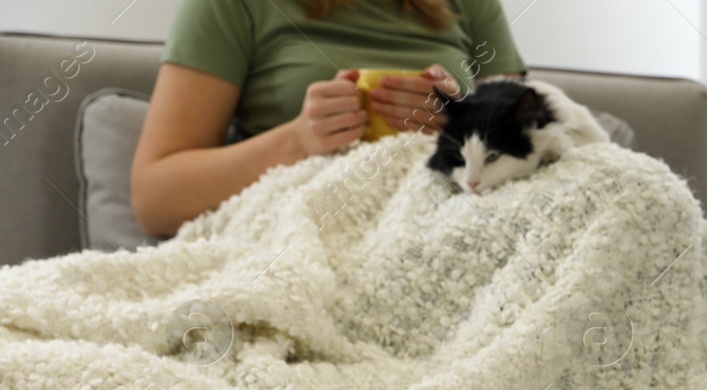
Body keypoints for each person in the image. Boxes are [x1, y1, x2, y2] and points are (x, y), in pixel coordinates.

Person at [130, 0, 525, 237]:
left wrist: (460, 123)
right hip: (301, 233)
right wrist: (299, 140)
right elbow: (155, 198)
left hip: (453, 225)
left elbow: (536, 146)